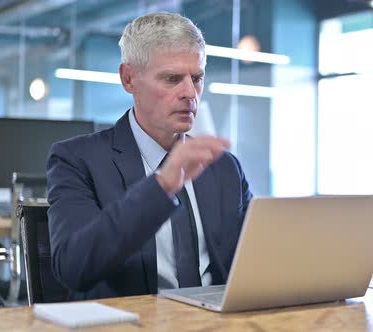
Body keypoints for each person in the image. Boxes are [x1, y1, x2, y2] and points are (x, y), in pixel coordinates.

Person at [46, 12, 252, 300]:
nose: (190, 93)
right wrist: (162, 185)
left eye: (197, 78)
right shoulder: (76, 159)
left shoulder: (224, 167)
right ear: (129, 79)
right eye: (172, 79)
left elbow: (256, 260)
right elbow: (73, 267)